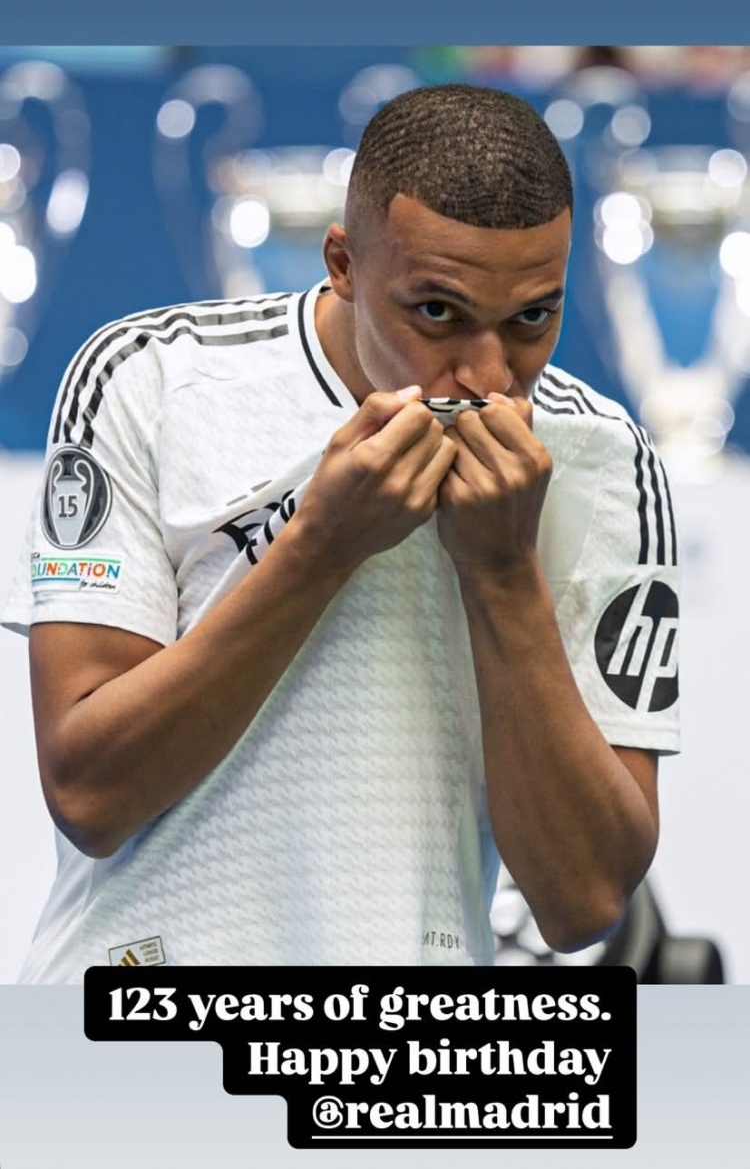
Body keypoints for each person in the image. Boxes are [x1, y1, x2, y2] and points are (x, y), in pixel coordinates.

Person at [2, 84, 679, 981]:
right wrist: (320, 547)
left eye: (531, 318)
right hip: (137, 1026)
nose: (486, 376)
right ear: (343, 264)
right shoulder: (148, 378)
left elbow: (583, 903)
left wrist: (503, 572)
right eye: (437, 311)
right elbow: (89, 795)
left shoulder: (603, 455)